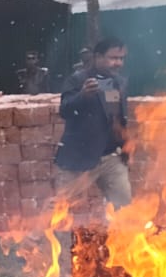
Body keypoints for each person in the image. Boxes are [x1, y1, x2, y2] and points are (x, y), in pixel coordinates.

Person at [55, 36, 132, 209]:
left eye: (121, 58)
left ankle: (122, 237)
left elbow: (119, 118)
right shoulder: (77, 80)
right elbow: (65, 110)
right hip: (80, 158)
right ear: (97, 57)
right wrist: (82, 96)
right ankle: (42, 236)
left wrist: (125, 146)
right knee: (61, 208)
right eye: (113, 58)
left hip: (112, 159)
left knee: (125, 209)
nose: (118, 63)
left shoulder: (119, 82)